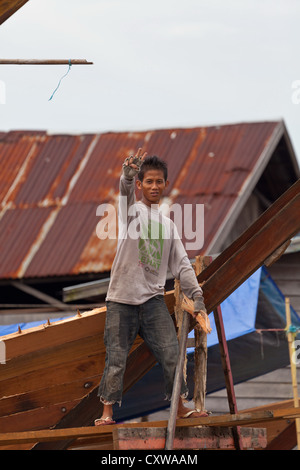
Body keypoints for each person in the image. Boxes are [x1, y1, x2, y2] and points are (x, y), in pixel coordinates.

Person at [95, 148, 208, 426]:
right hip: (121, 299)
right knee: (116, 357)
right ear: (141, 185)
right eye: (148, 182)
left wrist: (198, 299)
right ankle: (107, 414)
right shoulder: (131, 213)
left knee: (172, 353)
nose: (154, 186)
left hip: (153, 301)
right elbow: (123, 191)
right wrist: (127, 175)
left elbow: (182, 264)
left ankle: (180, 408)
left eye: (159, 182)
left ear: (165, 185)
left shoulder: (168, 226)